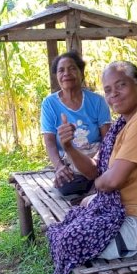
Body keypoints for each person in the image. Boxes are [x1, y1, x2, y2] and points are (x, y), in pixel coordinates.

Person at [54, 60, 137, 261]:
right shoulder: (124, 125)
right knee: (83, 206)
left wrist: (98, 187)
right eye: (108, 90)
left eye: (121, 85)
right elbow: (95, 171)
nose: (113, 94)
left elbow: (111, 181)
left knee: (69, 244)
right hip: (135, 205)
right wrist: (69, 148)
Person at [40, 51, 111, 196]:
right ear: (57, 77)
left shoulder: (97, 101)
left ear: (81, 73)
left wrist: (98, 161)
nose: (66, 73)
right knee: (66, 186)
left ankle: (96, 184)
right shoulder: (49, 104)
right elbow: (50, 143)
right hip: (70, 161)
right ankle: (95, 186)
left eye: (72, 68)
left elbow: (108, 139)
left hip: (96, 156)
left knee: (112, 175)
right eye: (61, 70)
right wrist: (59, 167)